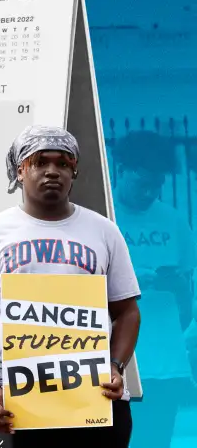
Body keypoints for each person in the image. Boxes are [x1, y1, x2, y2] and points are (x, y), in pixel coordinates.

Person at [0, 125, 141, 448]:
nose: (53, 171)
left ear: (75, 170)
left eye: (63, 163)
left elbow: (127, 312)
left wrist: (115, 365)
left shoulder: (104, 232)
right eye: (40, 162)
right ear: (19, 171)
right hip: (21, 403)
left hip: (96, 399)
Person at [109, 130, 197, 446]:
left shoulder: (174, 222)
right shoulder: (102, 217)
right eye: (142, 182)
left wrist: (175, 288)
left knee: (156, 440)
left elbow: (186, 300)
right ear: (122, 170)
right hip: (109, 358)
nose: (149, 191)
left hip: (163, 362)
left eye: (156, 184)